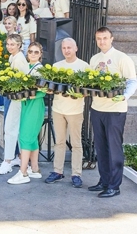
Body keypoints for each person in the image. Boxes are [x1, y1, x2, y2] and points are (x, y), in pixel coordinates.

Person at [87, 27, 137, 198]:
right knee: (101, 147)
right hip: (97, 108)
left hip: (115, 110)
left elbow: (132, 82)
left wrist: (124, 96)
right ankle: (104, 180)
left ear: (112, 39)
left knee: (114, 148)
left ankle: (114, 186)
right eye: (99, 38)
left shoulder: (122, 58)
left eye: (105, 38)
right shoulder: (94, 59)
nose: (102, 41)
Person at [45, 38, 90, 187]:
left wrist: (80, 94)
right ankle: (57, 171)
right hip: (58, 109)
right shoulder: (57, 66)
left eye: (69, 47)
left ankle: (76, 174)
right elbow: (51, 88)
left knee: (76, 144)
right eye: (64, 48)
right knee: (59, 142)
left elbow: (89, 91)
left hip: (75, 111)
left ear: (76, 48)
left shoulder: (84, 66)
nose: (66, 50)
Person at [7, 42, 46, 184]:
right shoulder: (27, 66)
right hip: (26, 104)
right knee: (32, 138)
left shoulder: (41, 69)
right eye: (30, 51)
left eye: (36, 52)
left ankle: (22, 173)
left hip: (34, 105)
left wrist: (28, 96)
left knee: (25, 137)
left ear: (41, 54)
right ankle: (34, 169)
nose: (33, 54)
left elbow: (43, 91)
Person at [0, 34, 27, 175]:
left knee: (10, 128)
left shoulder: (19, 59)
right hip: (11, 96)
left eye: (13, 44)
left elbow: (24, 80)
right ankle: (16, 158)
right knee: (13, 129)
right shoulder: (12, 57)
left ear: (19, 45)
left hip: (17, 98)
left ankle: (7, 161)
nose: (9, 47)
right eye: (8, 44)